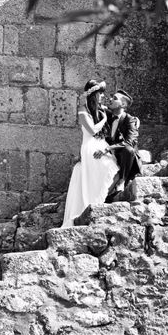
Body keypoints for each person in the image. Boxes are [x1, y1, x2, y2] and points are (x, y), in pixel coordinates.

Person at [61, 80, 119, 227]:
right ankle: (93, 204)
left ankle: (97, 200)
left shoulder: (98, 109)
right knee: (108, 168)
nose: (102, 96)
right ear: (94, 94)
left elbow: (118, 113)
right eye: (100, 94)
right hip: (90, 146)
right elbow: (92, 130)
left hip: (101, 144)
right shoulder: (83, 110)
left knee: (115, 169)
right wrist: (104, 118)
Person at [94, 89, 141, 200]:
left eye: (115, 98)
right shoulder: (107, 116)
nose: (110, 99)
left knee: (128, 149)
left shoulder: (130, 120)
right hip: (110, 155)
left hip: (124, 158)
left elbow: (129, 142)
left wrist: (107, 149)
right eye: (111, 97)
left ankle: (122, 180)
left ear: (123, 104)